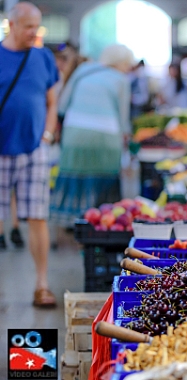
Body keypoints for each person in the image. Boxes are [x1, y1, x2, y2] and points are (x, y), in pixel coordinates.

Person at [0, 2, 59, 306]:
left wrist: (47, 135)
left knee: (37, 216)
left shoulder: (43, 58)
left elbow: (52, 101)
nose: (34, 32)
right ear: (11, 24)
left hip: (35, 148)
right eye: (28, 26)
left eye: (37, 26)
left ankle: (42, 284)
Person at [50, 44, 133, 228]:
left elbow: (63, 105)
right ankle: (102, 223)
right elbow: (123, 117)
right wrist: (126, 140)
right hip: (107, 137)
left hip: (74, 134)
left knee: (74, 175)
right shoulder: (121, 80)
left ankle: (70, 221)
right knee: (105, 182)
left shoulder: (83, 70)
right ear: (120, 63)